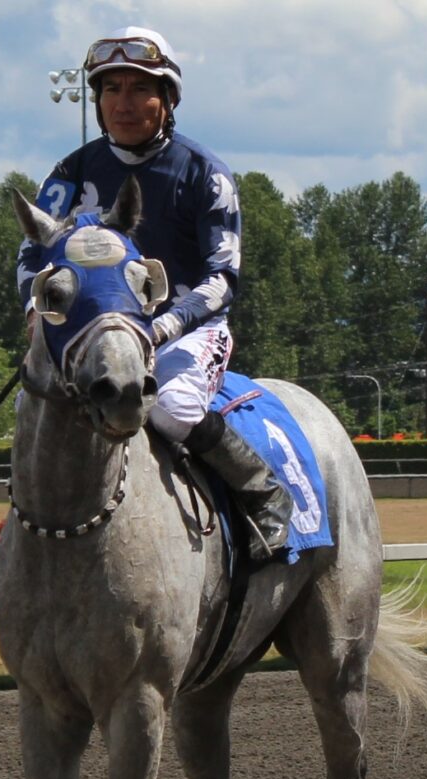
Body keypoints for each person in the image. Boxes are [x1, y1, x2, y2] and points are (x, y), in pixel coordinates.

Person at [18, 26, 292, 559]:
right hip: (93, 335)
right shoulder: (70, 173)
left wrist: (163, 326)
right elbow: (32, 254)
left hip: (184, 331)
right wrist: (35, 308)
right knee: (38, 408)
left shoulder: (205, 174)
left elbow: (222, 278)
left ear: (167, 98)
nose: (124, 103)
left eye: (140, 88)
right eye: (111, 89)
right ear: (98, 102)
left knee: (173, 409)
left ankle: (264, 494)